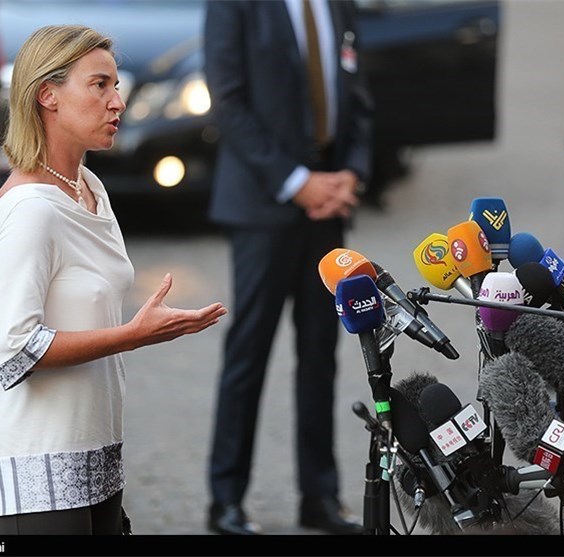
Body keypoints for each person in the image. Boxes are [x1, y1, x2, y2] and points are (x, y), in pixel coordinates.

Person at [0, 24, 227, 535]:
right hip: (32, 465)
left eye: (115, 85)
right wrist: (133, 335)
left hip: (95, 455)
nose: (117, 101)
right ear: (47, 95)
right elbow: (13, 350)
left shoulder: (89, 187)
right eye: (99, 85)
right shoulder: (30, 210)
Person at [204, 0, 373, 535]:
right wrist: (296, 182)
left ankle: (319, 496)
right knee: (249, 350)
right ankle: (225, 500)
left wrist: (352, 174)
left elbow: (357, 94)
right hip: (262, 204)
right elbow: (229, 103)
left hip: (329, 207)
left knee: (321, 351)